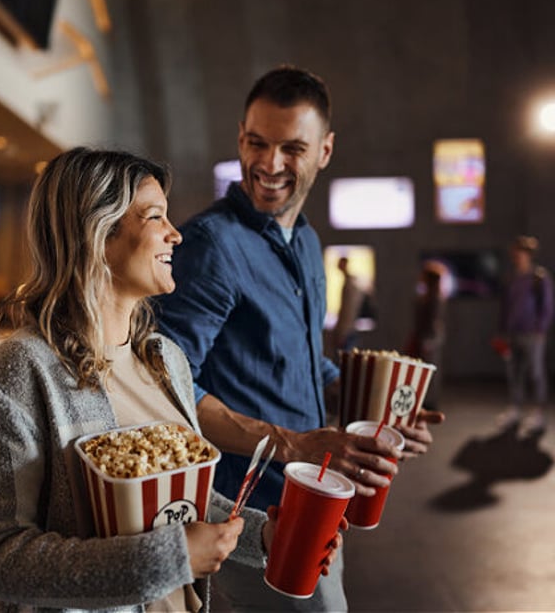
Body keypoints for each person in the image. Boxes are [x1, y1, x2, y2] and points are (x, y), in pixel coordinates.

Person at [0, 147, 341, 613]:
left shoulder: (166, 359)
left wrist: (262, 534)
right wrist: (171, 558)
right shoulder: (22, 369)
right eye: (155, 216)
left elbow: (182, 503)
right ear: (96, 233)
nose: (175, 234)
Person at [154, 65, 444, 612]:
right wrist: (295, 444)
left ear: (325, 150)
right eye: (257, 143)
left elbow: (307, 361)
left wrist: (383, 414)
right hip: (250, 516)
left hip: (318, 504)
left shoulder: (308, 241)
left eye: (293, 148)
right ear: (240, 136)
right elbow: (166, 389)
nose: (269, 164)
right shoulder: (211, 245)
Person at [495, 234, 553, 435]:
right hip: (512, 334)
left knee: (535, 374)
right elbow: (505, 307)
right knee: (514, 373)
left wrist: (540, 330)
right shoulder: (512, 278)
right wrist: (502, 332)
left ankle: (538, 412)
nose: (517, 256)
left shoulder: (539, 277)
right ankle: (516, 409)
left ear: (528, 254)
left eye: (520, 253)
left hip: (532, 335)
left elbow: (546, 307)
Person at [405, 261, 447, 410]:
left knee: (430, 371)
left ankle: (430, 401)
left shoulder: (435, 298)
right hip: (422, 337)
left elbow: (434, 322)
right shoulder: (427, 296)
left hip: (429, 339)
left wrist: (429, 341)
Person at [331, 256, 366, 356]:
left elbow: (348, 310)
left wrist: (342, 332)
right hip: (348, 329)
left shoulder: (350, 284)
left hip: (347, 330)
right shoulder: (351, 282)